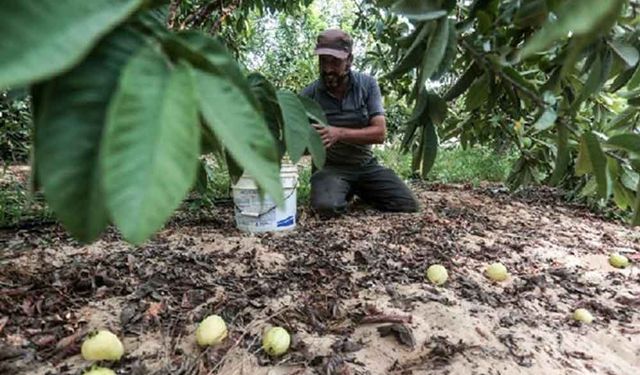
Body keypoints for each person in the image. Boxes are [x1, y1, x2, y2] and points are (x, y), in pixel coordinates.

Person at [300, 29, 419, 217]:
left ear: (349, 60)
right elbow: (298, 145)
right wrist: (308, 143)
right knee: (326, 208)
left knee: (406, 203)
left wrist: (338, 133)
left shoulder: (368, 85)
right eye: (323, 61)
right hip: (330, 169)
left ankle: (359, 191)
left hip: (365, 165)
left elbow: (380, 133)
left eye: (335, 61)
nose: (327, 69)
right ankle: (340, 190)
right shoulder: (308, 95)